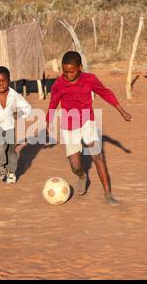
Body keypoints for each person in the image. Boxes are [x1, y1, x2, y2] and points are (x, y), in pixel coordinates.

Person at [46, 51, 132, 205]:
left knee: (97, 156)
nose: (68, 75)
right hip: (69, 124)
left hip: (87, 121)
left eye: (71, 71)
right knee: (75, 165)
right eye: (65, 72)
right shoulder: (58, 85)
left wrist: (122, 111)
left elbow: (106, 93)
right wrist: (48, 123)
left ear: (80, 67)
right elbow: (52, 104)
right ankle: (81, 176)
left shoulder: (90, 80)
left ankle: (108, 193)